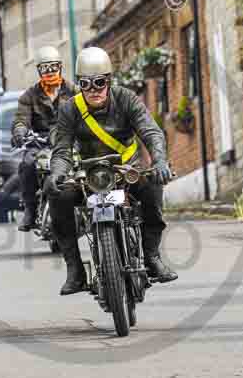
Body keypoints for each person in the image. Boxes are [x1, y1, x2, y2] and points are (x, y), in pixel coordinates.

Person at [46, 46, 178, 295]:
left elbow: (151, 132)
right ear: (79, 84)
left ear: (108, 80)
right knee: (56, 194)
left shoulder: (126, 99)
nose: (93, 90)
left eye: (99, 82)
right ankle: (75, 270)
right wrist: (57, 174)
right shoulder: (69, 109)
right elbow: (62, 150)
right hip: (89, 175)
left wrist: (159, 161)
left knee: (152, 188)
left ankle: (152, 257)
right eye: (86, 84)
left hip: (128, 170)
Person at [11, 46, 77, 232]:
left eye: (53, 67)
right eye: (45, 68)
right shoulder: (29, 96)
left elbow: (87, 113)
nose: (50, 72)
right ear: (39, 70)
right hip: (40, 144)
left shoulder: (74, 90)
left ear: (60, 67)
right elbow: (21, 119)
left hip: (70, 142)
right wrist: (20, 132)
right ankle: (30, 210)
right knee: (27, 163)